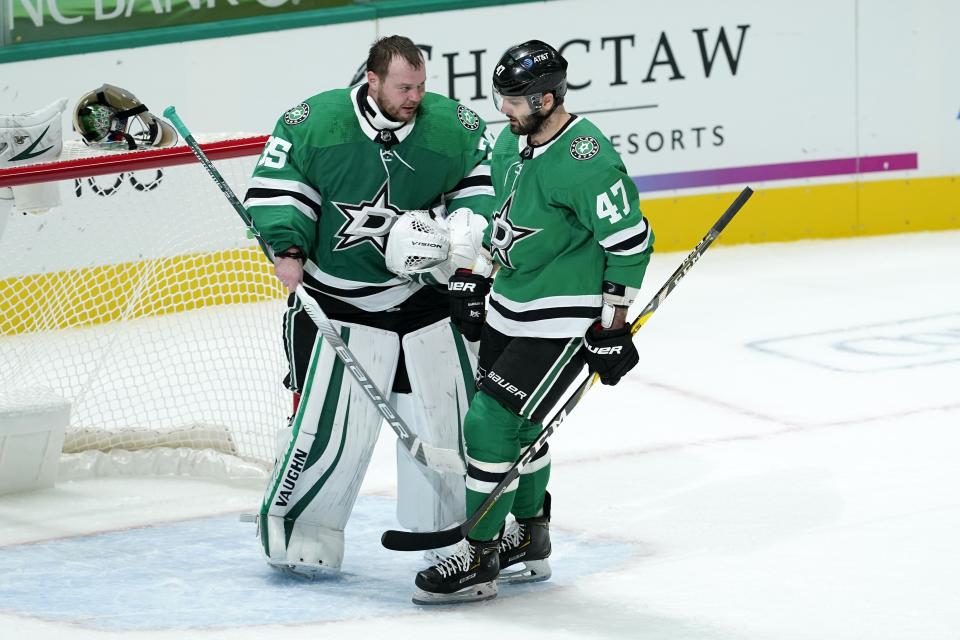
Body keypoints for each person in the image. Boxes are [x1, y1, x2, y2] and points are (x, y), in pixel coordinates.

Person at [411, 40, 654, 605]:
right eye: (501, 99)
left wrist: (614, 327)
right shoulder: (509, 142)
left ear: (547, 98)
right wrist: (478, 271)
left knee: (490, 425)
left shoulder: (587, 158)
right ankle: (530, 537)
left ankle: (479, 553)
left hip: (561, 321)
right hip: (509, 306)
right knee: (522, 432)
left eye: (515, 101)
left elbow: (630, 241)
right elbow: (503, 218)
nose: (505, 111)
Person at [245, 35, 494, 576]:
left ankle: (451, 535)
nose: (415, 97)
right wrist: (287, 246)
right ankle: (303, 529)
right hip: (335, 301)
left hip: (419, 298)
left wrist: (458, 240)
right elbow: (281, 185)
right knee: (325, 424)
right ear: (373, 80)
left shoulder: (452, 127)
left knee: (445, 416)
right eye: (404, 87)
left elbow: (480, 189)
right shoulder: (316, 120)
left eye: (422, 86)